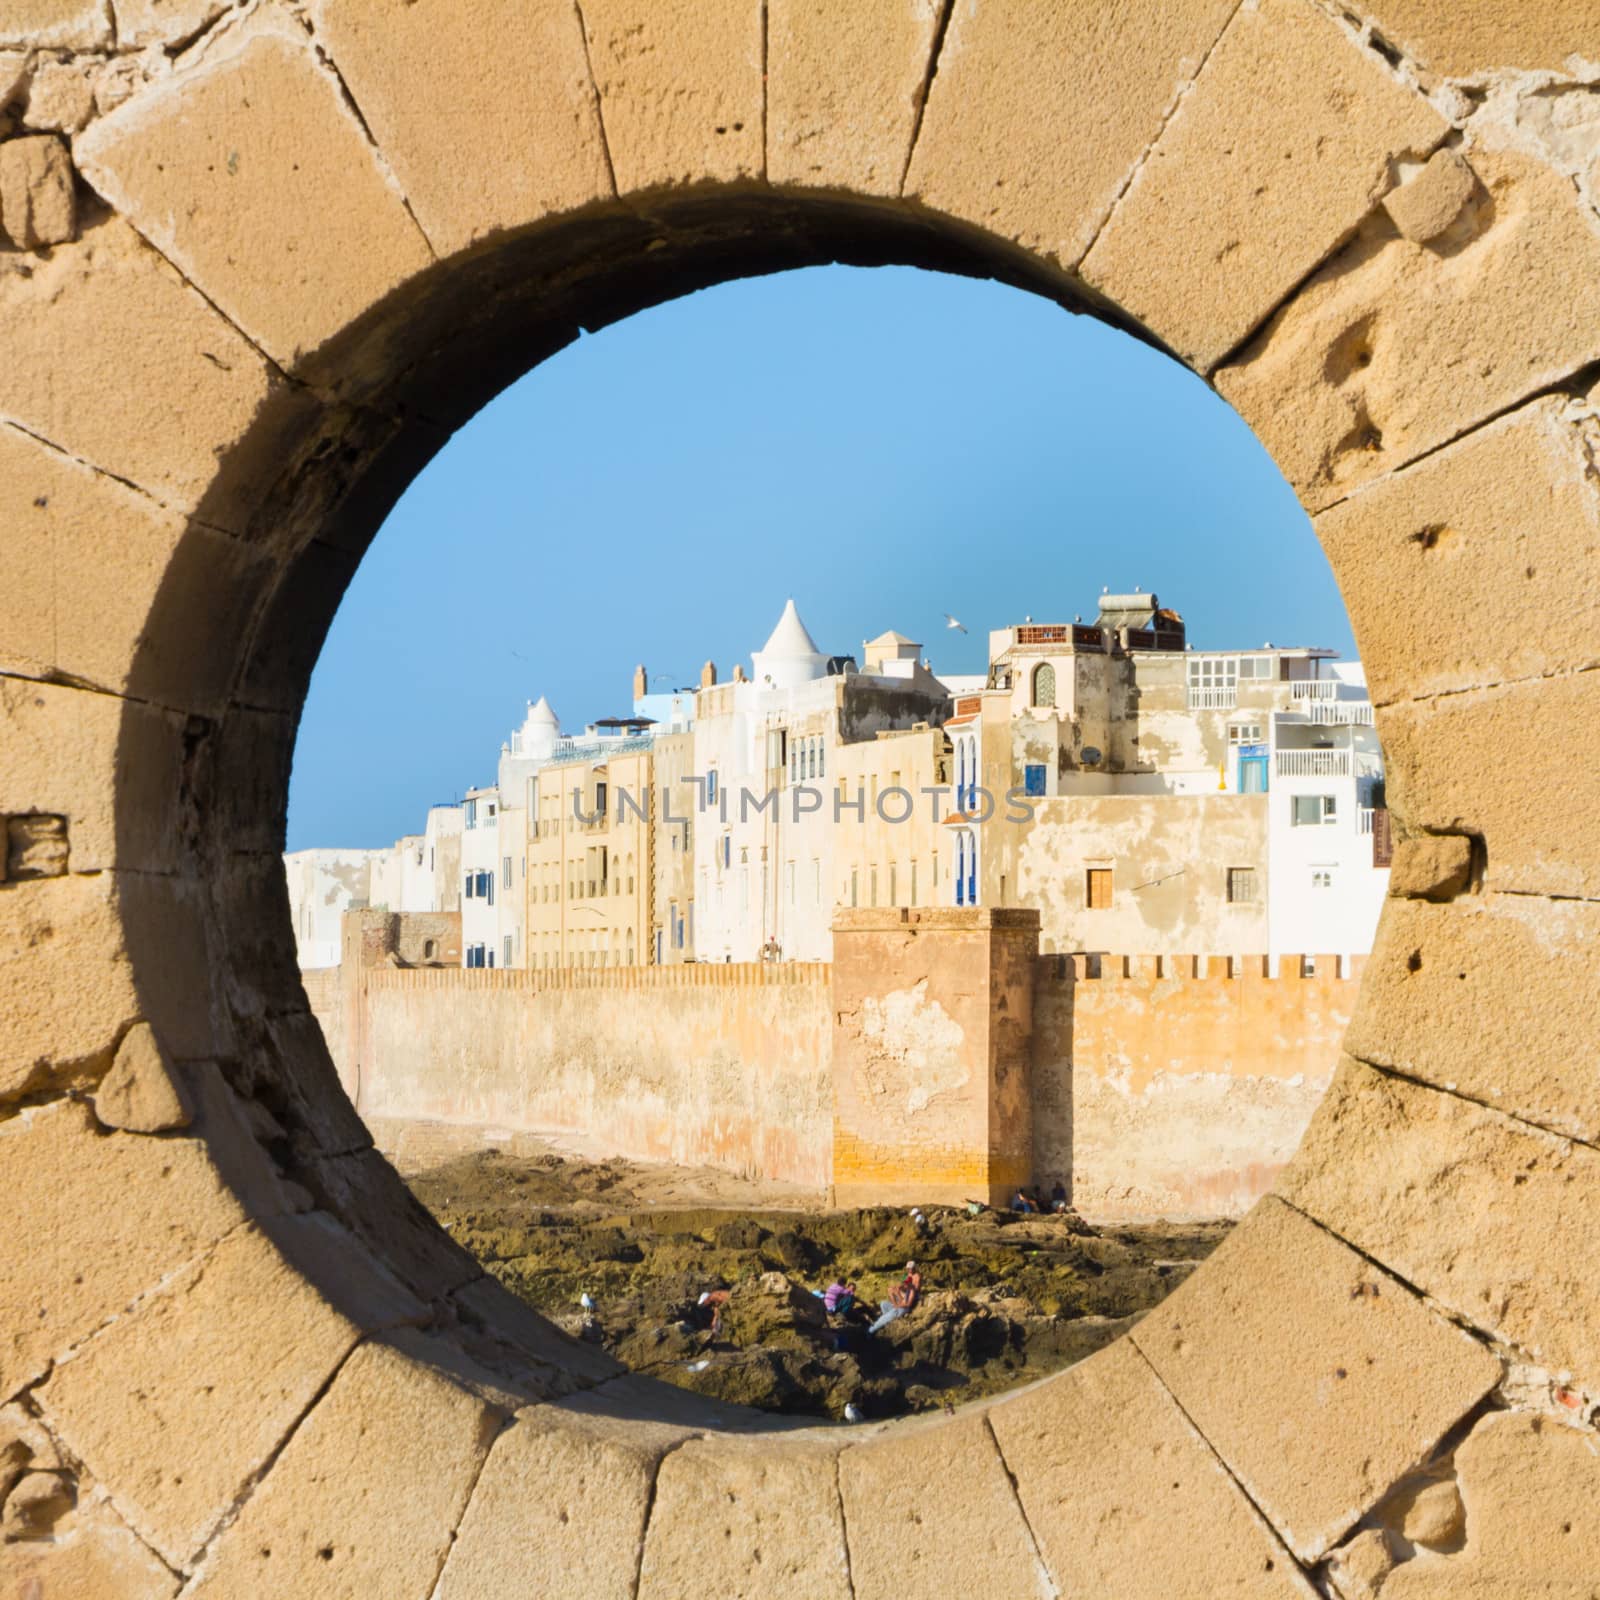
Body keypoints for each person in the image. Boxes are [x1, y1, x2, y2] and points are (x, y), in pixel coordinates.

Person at [869, 1261, 923, 1333]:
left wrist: (900, 1296)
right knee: (886, 1297)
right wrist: (899, 1288)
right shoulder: (907, 1276)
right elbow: (902, 1284)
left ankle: (873, 1328)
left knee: (890, 1313)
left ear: (914, 1268)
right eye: (908, 1268)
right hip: (903, 1299)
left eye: (910, 1268)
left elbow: (909, 1301)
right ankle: (890, 1312)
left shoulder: (917, 1278)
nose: (909, 1270)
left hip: (906, 1302)